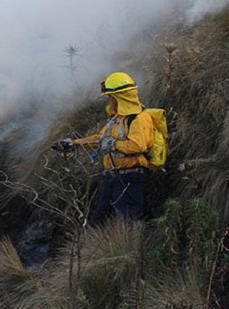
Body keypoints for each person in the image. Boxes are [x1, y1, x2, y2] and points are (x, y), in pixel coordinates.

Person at [54, 71, 156, 223]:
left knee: (130, 221)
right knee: (100, 221)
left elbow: (137, 145)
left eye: (111, 97)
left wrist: (113, 144)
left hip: (131, 177)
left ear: (120, 97)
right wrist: (74, 144)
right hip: (112, 177)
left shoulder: (139, 119)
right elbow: (100, 139)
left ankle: (128, 246)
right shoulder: (117, 119)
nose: (109, 101)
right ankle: (100, 245)